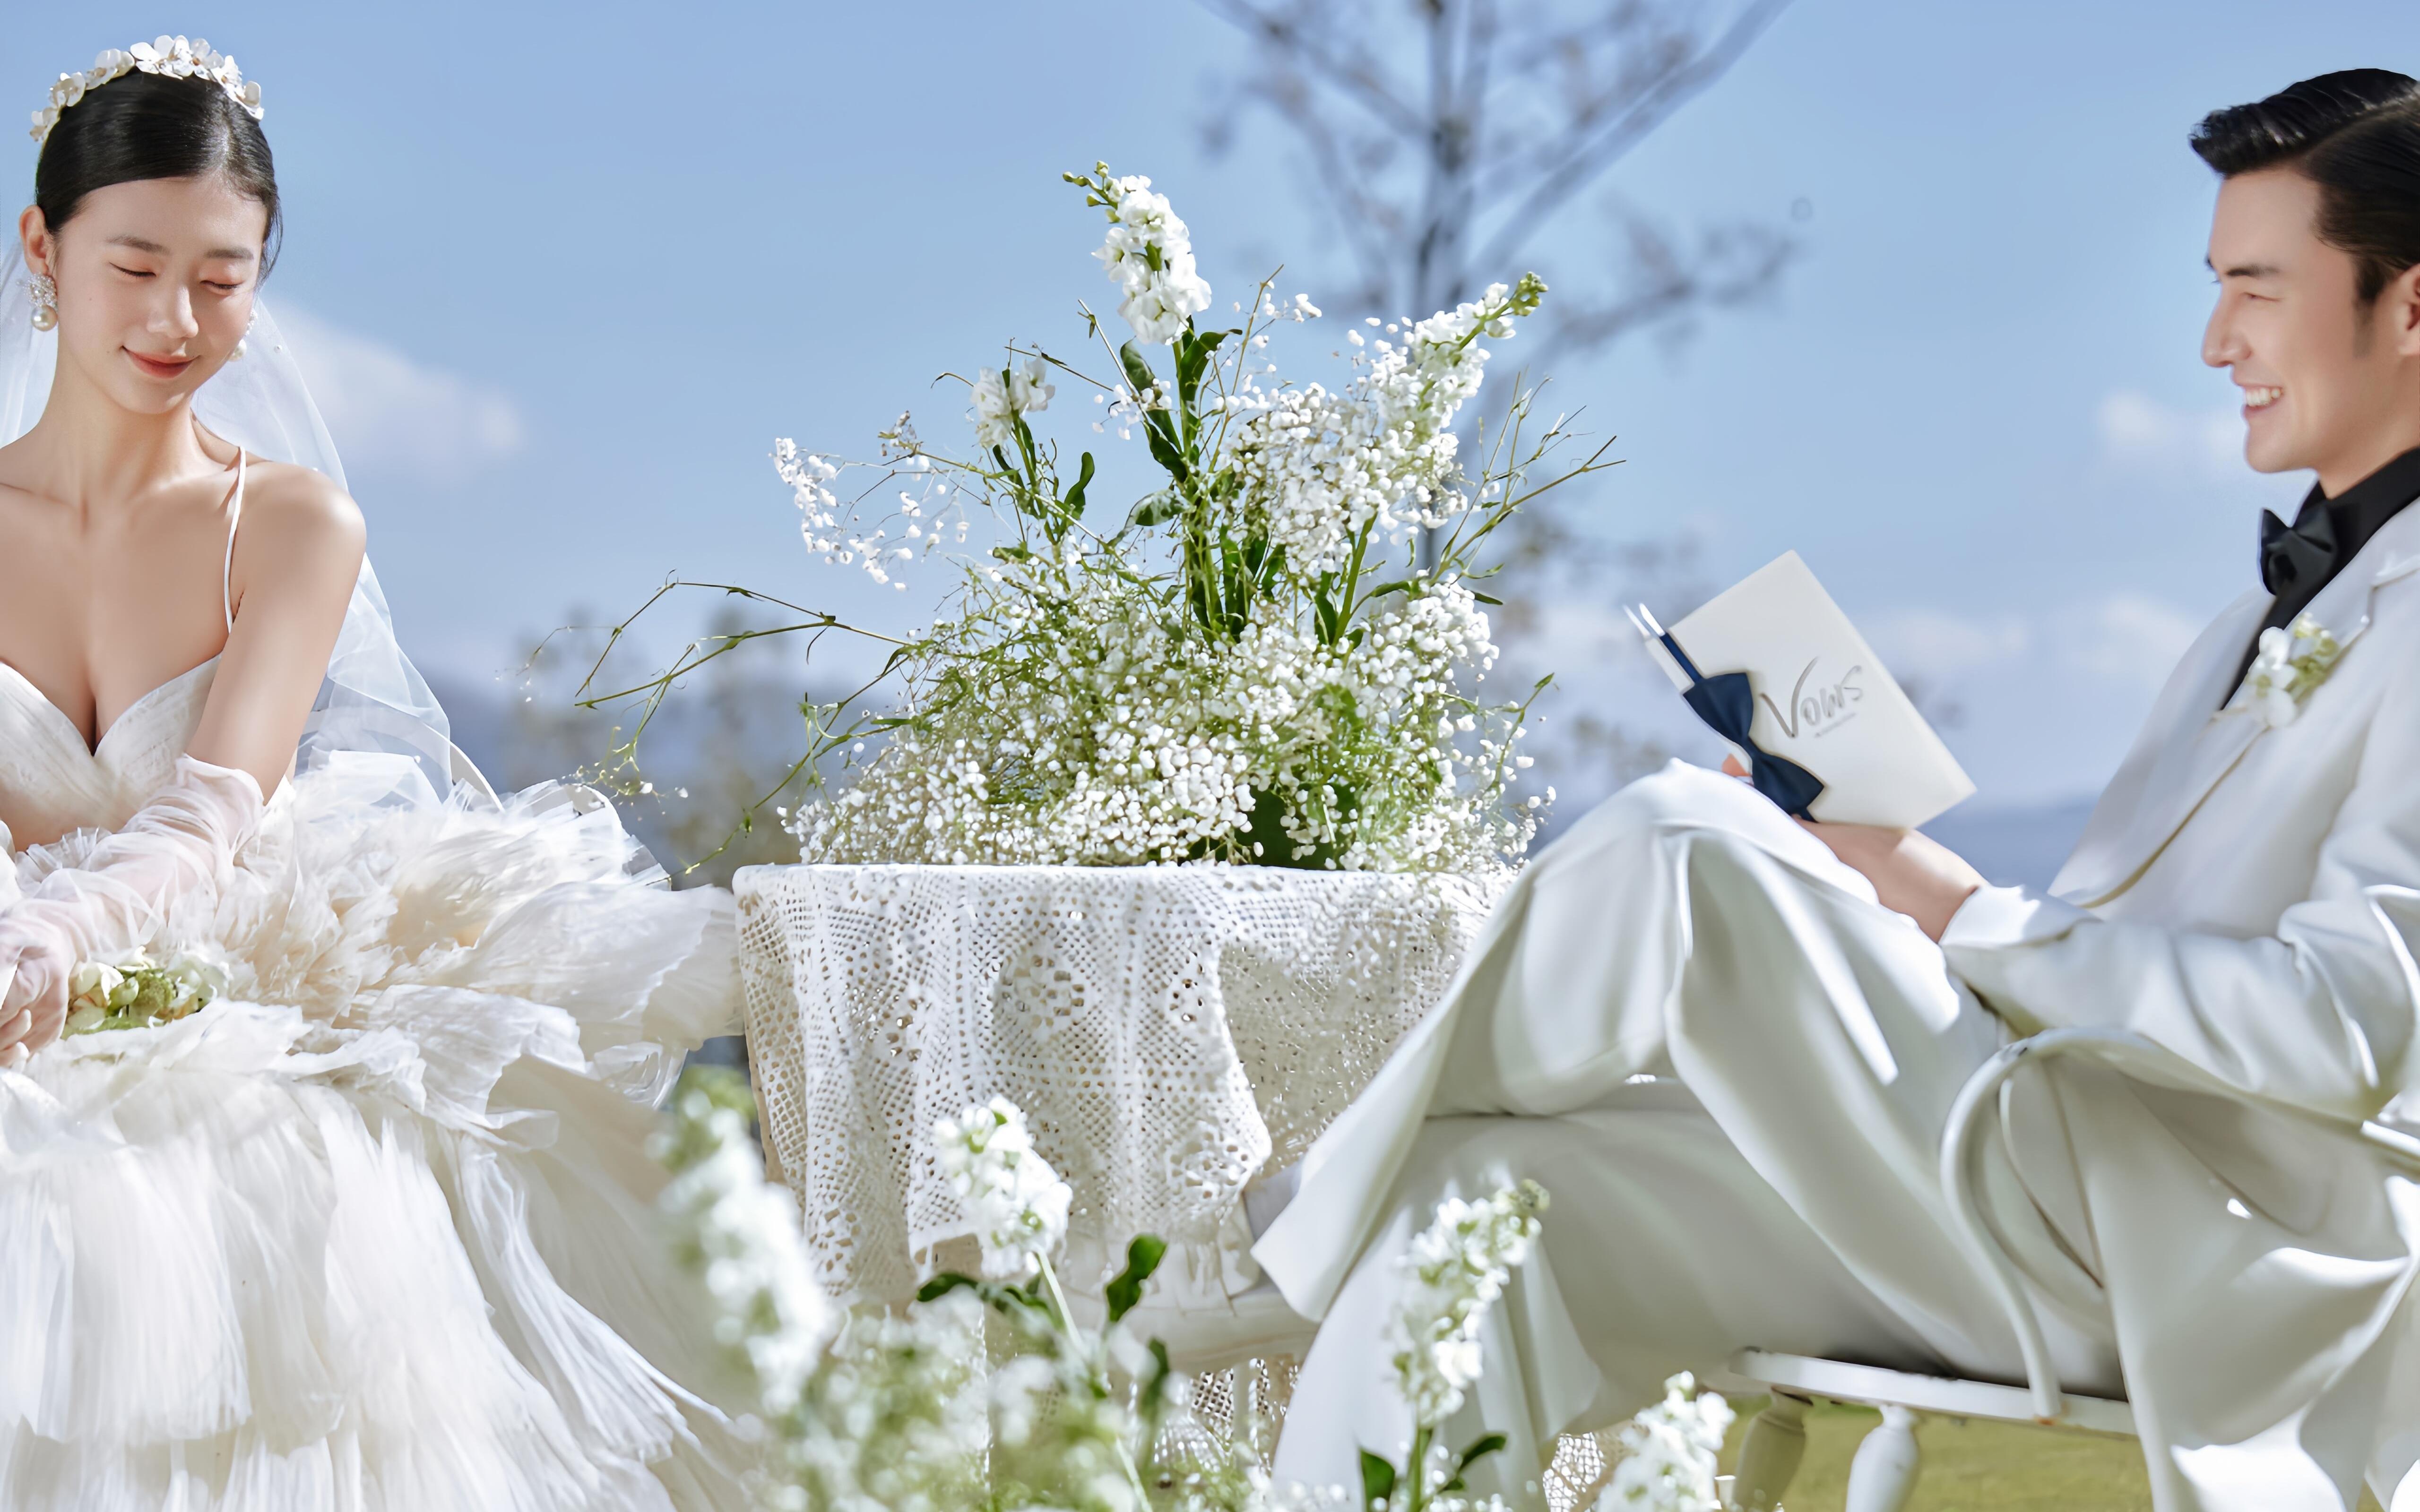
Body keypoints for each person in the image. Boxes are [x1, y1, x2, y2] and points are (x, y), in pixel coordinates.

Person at [1256, 69, 2420, 1512]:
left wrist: (1942, 903)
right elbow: (2109, 954)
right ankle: (1334, 1226)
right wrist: (1868, 869)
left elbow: (2351, 1030)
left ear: (2411, 308)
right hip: (2051, 1184)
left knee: (1685, 844)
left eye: (2257, 288)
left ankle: (1279, 1241)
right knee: (1478, 1214)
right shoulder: (2239, 636)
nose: (2213, 340)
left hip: (2200, 1263)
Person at [0, 39, 750, 1509]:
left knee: (245, 1187)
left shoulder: (290, 525)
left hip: (205, 945)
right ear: (44, 248)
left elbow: (215, 802)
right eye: (134, 265)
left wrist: (61, 930)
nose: (174, 319)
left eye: (223, 278)